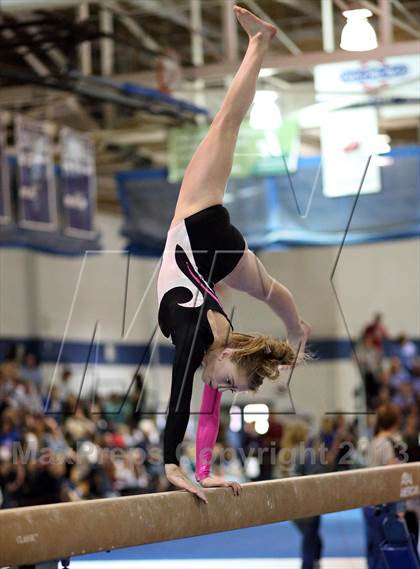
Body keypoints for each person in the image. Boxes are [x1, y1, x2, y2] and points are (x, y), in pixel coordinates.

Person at [157, 5, 311, 503]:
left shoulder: (208, 340)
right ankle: (259, 42)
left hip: (211, 256)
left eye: (230, 390)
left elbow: (194, 403)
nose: (224, 391)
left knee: (268, 289)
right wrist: (179, 464)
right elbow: (188, 400)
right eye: (234, 385)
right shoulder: (204, 336)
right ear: (231, 353)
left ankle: (296, 329)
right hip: (198, 227)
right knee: (225, 123)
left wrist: (192, 468)